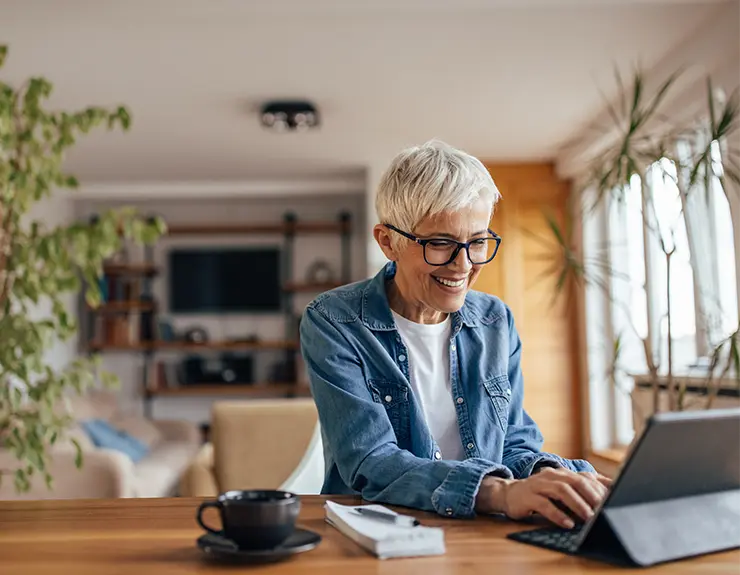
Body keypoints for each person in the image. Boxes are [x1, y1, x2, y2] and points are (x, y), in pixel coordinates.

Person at [300, 140, 610, 527]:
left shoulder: (495, 320)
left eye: (477, 242)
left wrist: (546, 477)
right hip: (380, 531)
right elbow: (371, 461)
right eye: (441, 243)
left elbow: (513, 440)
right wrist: (498, 492)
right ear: (388, 242)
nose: (463, 264)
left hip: (482, 529)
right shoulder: (335, 321)